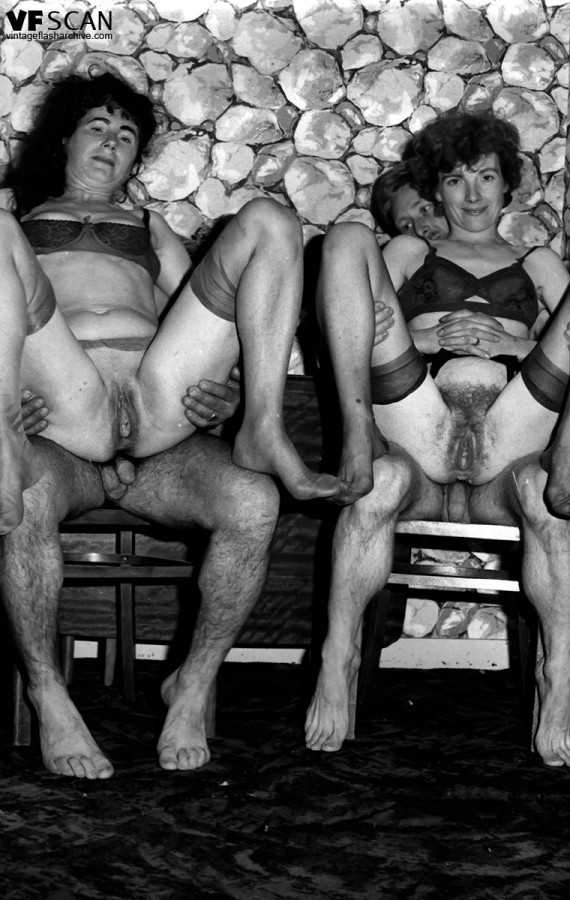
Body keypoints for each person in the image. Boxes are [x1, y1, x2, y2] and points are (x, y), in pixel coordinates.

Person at [304, 110, 570, 768]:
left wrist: (517, 344)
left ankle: (560, 674)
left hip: (511, 445)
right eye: (455, 180)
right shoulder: (410, 251)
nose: (472, 194)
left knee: (545, 495)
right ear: (437, 190)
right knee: (345, 241)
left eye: (486, 177)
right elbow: (340, 322)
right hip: (418, 433)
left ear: (509, 185)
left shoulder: (536, 261)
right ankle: (337, 656)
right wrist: (425, 337)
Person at [0, 71, 339, 539]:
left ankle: (263, 425)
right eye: (97, 127)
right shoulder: (14, 219)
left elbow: (207, 320)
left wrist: (231, 397)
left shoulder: (149, 224)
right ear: (64, 141)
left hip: (155, 396)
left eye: (126, 136)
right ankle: (5, 438)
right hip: (63, 393)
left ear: (133, 161)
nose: (111, 142)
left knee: (271, 218)